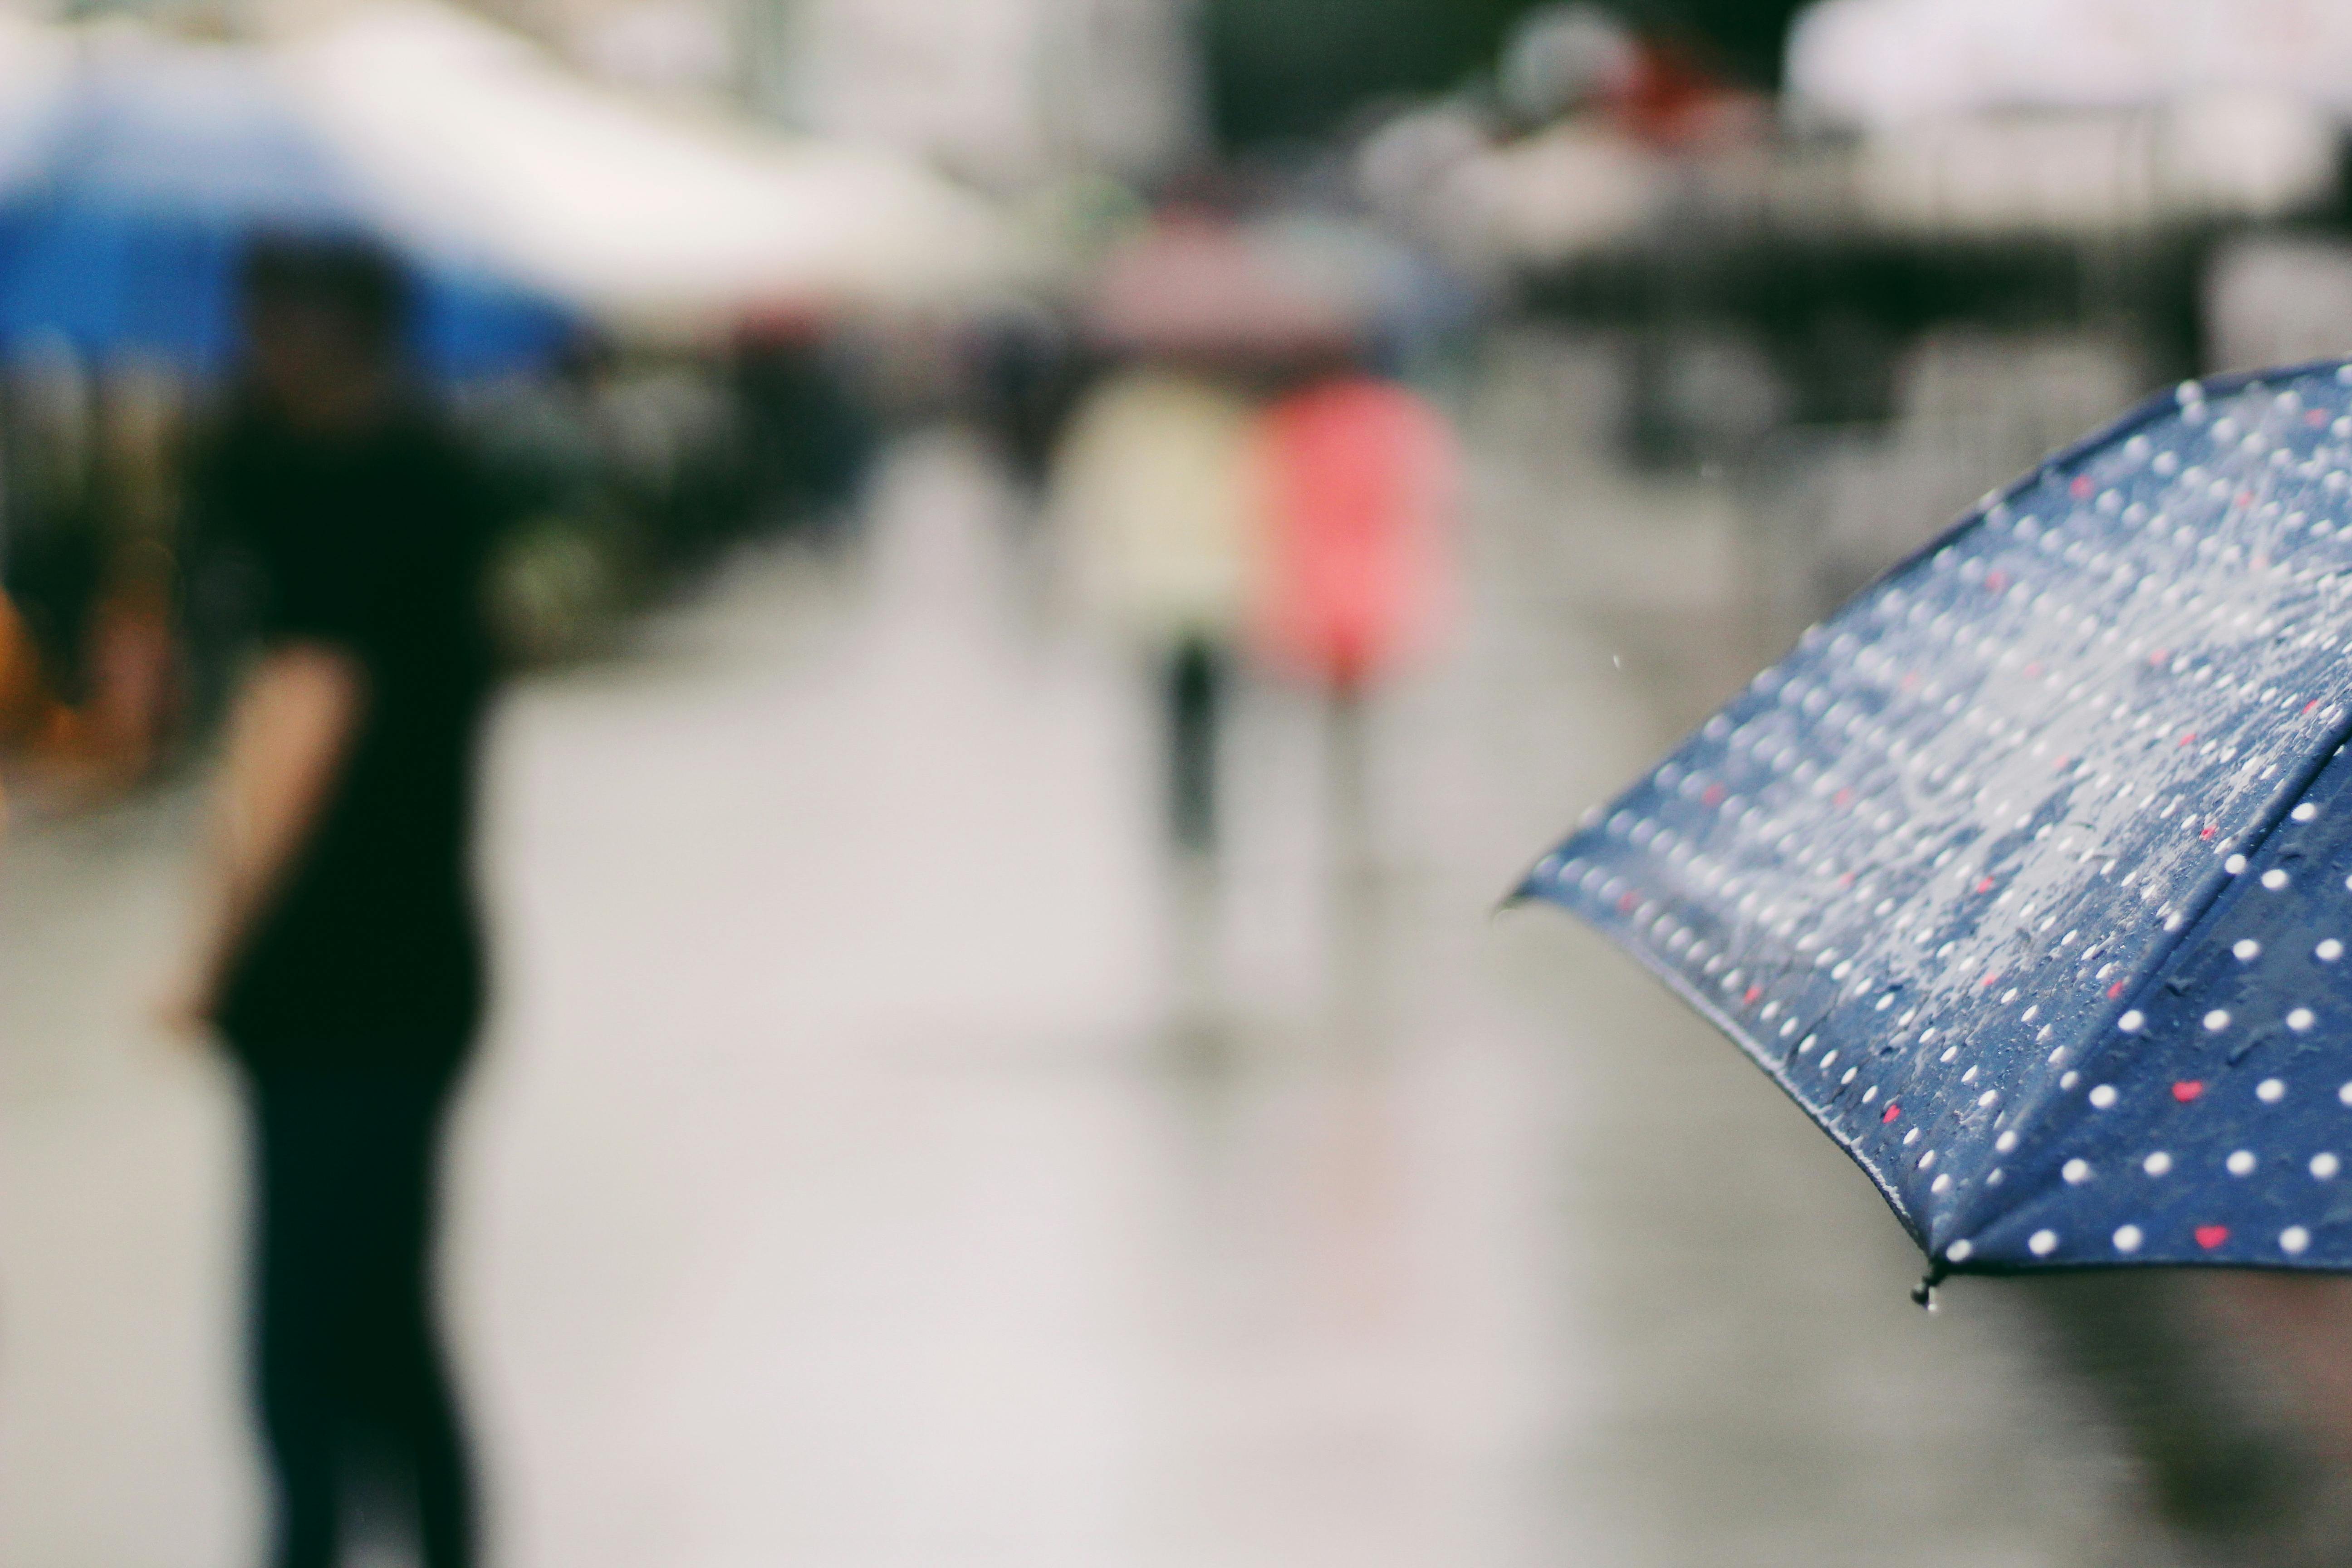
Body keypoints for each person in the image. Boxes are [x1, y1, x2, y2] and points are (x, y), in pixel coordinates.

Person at [166, 231, 506, 1568]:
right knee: (382, 1312)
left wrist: (211, 950)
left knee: (303, 1341)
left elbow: (300, 717)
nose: (247, 328)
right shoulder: (403, 467)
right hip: (408, 962)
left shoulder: (358, 484)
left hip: (344, 971)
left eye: (269, 303)